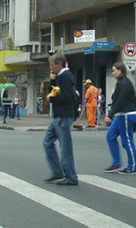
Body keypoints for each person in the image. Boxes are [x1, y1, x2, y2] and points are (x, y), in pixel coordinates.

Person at [44, 53, 78, 186]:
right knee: (47, 142)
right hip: (58, 116)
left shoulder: (66, 77)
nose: (51, 68)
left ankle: (71, 176)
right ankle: (57, 171)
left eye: (52, 65)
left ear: (59, 64)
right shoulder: (60, 77)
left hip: (63, 116)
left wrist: (50, 98)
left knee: (65, 148)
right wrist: (52, 80)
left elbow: (66, 97)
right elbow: (56, 90)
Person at [104, 62, 136, 175]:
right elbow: (115, 100)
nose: (113, 73)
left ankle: (132, 166)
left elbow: (120, 101)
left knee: (127, 141)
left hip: (127, 114)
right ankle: (116, 162)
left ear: (120, 71)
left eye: (114, 70)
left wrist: (110, 115)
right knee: (110, 136)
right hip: (120, 115)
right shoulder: (120, 83)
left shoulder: (125, 83)